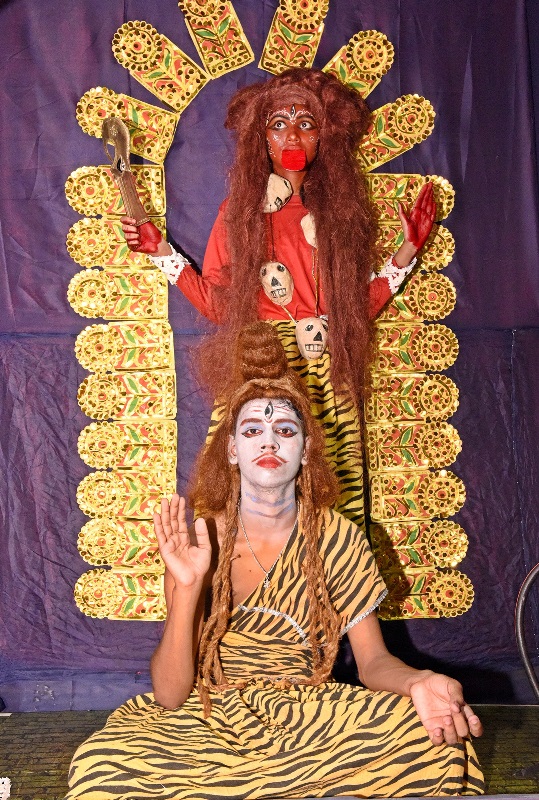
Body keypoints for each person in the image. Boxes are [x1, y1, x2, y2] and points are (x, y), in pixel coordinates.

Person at [66, 323, 483, 800]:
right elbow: (169, 695)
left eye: (285, 430)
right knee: (103, 766)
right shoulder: (202, 538)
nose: (268, 442)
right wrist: (187, 587)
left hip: (310, 712)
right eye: (252, 430)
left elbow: (372, 664)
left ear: (306, 451)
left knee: (433, 741)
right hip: (208, 713)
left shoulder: (337, 537)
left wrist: (418, 681)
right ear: (231, 450)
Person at [121, 68, 436, 528]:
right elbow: (217, 305)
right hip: (259, 360)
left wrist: (408, 250)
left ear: (323, 138)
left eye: (306, 123)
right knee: (239, 499)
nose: (293, 134)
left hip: (326, 370)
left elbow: (355, 310)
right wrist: (161, 251)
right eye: (279, 123)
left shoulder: (339, 215)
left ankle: (327, 594)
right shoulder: (240, 213)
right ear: (262, 139)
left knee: (333, 507)